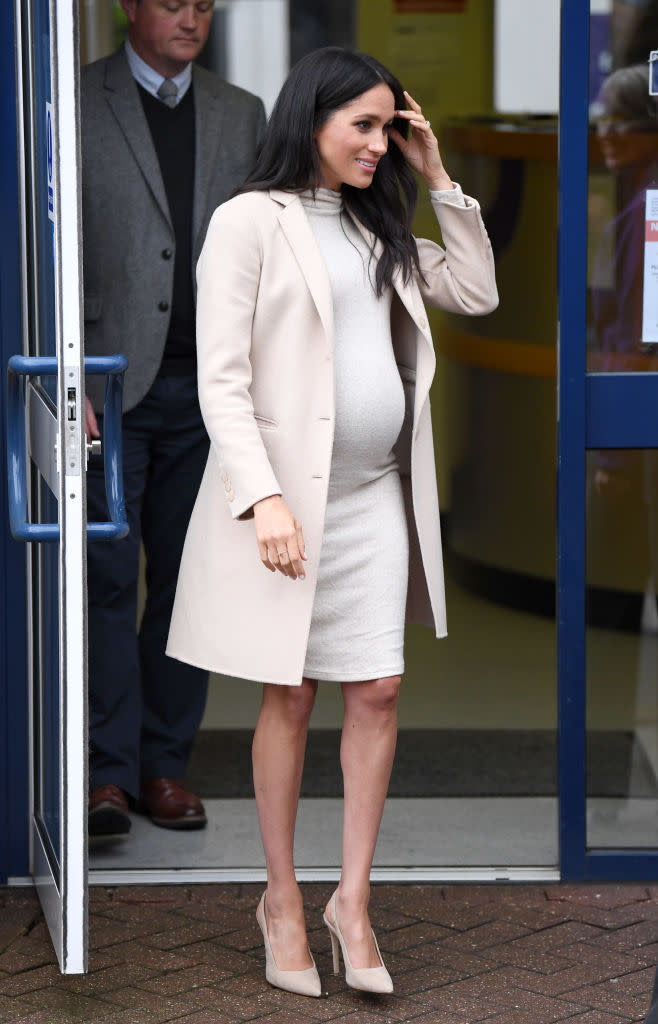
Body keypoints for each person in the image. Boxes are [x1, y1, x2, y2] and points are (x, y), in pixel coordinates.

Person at [167, 46, 497, 995]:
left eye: (391, 126)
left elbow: (474, 290)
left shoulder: (377, 217)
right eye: (363, 125)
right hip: (290, 506)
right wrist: (261, 495)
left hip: (372, 496)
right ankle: (280, 895)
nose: (379, 142)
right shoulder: (248, 222)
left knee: (378, 692)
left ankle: (351, 900)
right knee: (291, 697)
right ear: (309, 121)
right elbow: (220, 377)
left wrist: (435, 176)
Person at [81, 0, 265, 836]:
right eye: (172, 2)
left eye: (203, 4)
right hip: (109, 387)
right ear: (129, 8)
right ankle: (106, 774)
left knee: (188, 588)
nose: (191, 18)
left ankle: (165, 767)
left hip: (211, 394)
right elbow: (50, 242)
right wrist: (68, 369)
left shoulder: (241, 113)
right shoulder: (78, 102)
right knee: (108, 581)